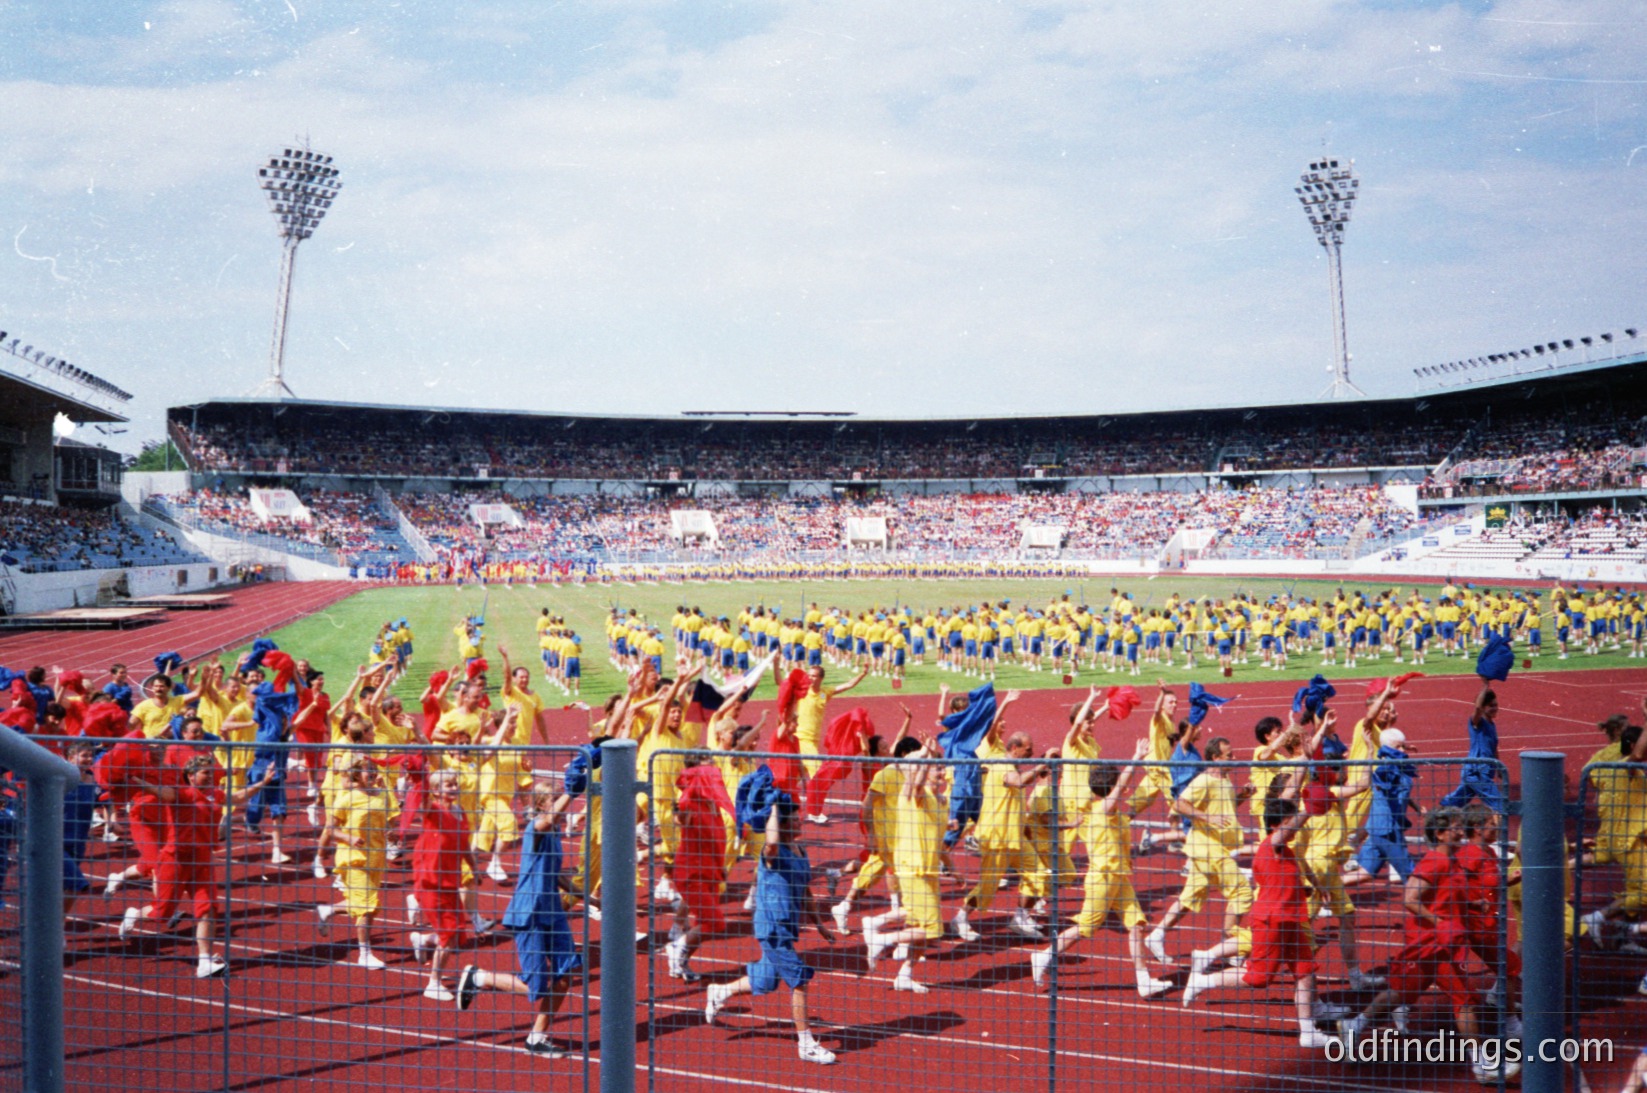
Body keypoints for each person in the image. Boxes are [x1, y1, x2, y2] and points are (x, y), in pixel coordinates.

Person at [1180, 795, 1335, 1048]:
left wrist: (1313, 888)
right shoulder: (1270, 846)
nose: (1297, 825)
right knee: (1259, 978)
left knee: (1305, 971)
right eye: (1290, 820)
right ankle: (1203, 981)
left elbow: (1289, 877)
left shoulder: (1287, 851)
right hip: (1271, 922)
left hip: (1291, 922)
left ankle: (1308, 1032)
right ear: (1277, 825)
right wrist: (1309, 808)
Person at [1031, 738, 1174, 998]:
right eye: (1117, 786)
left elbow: (1122, 798)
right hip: (1103, 879)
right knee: (1086, 927)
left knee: (1137, 924)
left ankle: (1144, 981)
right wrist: (1136, 759)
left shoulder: (1114, 813)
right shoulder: (1102, 811)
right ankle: (1043, 957)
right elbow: (1120, 788)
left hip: (1119, 878)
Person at [705, 792, 840, 1065]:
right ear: (781, 822)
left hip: (788, 927)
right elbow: (771, 843)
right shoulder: (772, 854)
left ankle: (719, 991)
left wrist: (820, 926)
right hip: (772, 928)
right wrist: (774, 807)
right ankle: (806, 1044)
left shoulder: (801, 852)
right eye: (794, 818)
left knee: (765, 981)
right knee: (799, 980)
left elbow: (807, 893)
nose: (800, 821)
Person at [457, 783, 583, 1058]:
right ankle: (480, 978)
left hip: (552, 912)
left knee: (566, 973)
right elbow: (547, 820)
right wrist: (571, 792)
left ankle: (537, 1037)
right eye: (554, 800)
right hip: (530, 912)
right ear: (540, 806)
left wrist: (591, 899)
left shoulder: (556, 832)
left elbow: (556, 874)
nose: (562, 805)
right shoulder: (535, 829)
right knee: (536, 985)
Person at [119, 756, 274, 978]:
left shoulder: (215, 795)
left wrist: (263, 782)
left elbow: (237, 796)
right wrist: (135, 778)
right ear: (191, 776)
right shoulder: (182, 793)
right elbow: (160, 792)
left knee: (207, 907)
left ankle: (204, 961)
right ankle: (134, 914)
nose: (211, 776)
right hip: (175, 859)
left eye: (211, 772)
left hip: (202, 859)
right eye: (206, 773)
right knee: (162, 914)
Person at [1144, 735, 1254, 963]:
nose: (1234, 758)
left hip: (1212, 850)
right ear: (1215, 758)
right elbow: (1179, 804)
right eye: (1229, 755)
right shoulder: (1204, 781)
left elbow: (1226, 807)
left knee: (1188, 898)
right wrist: (1207, 817)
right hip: (1209, 850)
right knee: (1242, 893)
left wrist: (1243, 795)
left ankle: (1157, 934)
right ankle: (1229, 945)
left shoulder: (1225, 780)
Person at [863, 737, 950, 993]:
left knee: (917, 924)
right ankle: (882, 940)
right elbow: (915, 782)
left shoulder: (938, 801)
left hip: (928, 869)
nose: (942, 772)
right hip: (914, 869)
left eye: (941, 768)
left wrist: (951, 868)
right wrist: (924, 756)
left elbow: (937, 840)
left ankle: (905, 974)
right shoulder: (913, 795)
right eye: (938, 768)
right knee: (933, 929)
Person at [408, 769, 479, 1001]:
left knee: (459, 935)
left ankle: (425, 939)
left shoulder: (460, 812)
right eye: (448, 784)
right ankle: (434, 982)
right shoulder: (433, 811)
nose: (454, 787)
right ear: (436, 791)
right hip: (432, 882)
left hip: (450, 881)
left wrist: (474, 867)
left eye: (454, 783)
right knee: (449, 935)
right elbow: (422, 798)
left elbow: (463, 844)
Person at [317, 759, 393, 969]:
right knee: (367, 907)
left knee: (365, 903)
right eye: (368, 770)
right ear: (357, 775)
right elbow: (331, 829)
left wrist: (389, 831)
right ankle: (364, 953)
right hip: (354, 858)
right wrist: (349, 839)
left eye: (374, 770)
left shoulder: (382, 795)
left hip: (376, 858)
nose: (373, 773)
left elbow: (385, 821)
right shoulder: (347, 798)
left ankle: (328, 910)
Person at [1440, 686, 1503, 811]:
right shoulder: (1477, 723)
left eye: (1496, 705)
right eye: (1491, 705)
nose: (1495, 708)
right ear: (1484, 707)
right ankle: (1501, 828)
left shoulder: (1492, 725)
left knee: (1456, 801)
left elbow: (1494, 747)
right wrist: (1485, 686)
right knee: (1499, 804)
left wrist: (1498, 767)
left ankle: (1439, 815)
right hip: (1477, 772)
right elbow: (1477, 708)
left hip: (1476, 772)